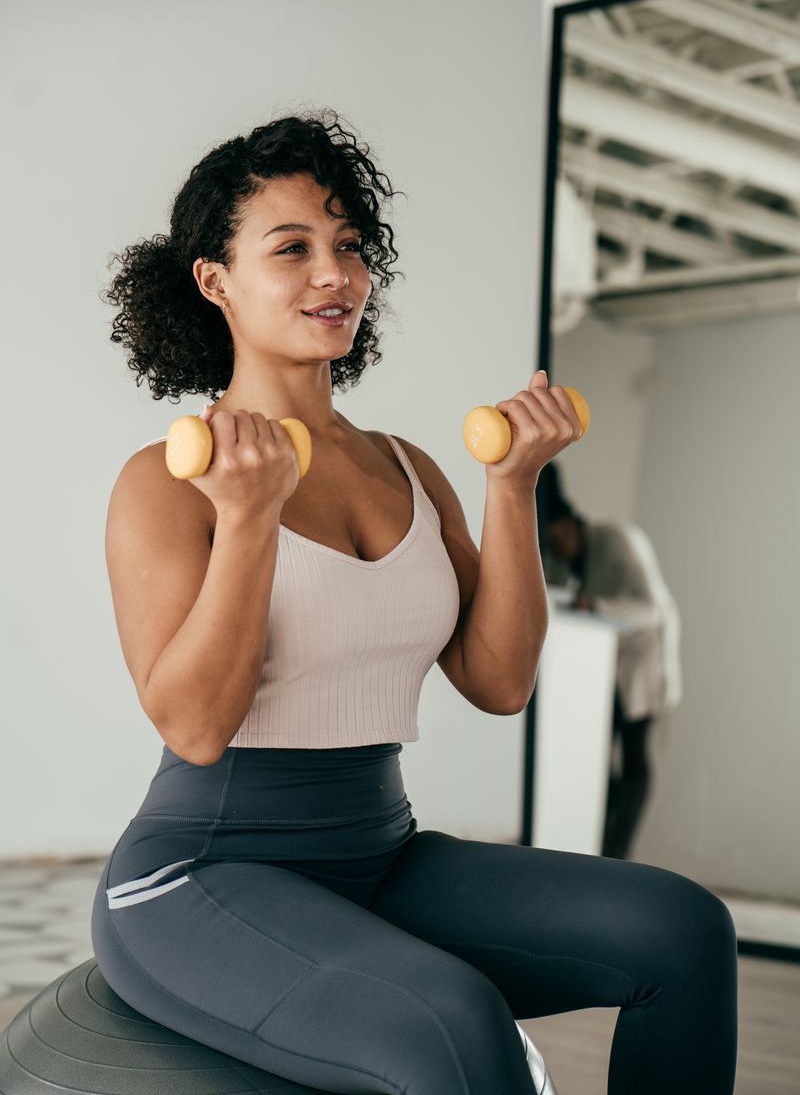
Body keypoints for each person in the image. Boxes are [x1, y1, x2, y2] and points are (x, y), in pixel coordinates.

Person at [90, 109, 737, 1094]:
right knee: (453, 1025)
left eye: (349, 247)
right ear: (214, 281)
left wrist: (511, 488)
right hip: (198, 880)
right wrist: (251, 522)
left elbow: (500, 681)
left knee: (681, 930)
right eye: (292, 247)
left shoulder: (405, 466)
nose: (334, 274)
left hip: (378, 854)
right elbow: (197, 723)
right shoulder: (167, 481)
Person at [537, 461, 683, 859]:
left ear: (569, 525)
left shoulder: (618, 538)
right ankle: (599, 847)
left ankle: (619, 854)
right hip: (605, 671)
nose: (554, 550)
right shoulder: (562, 560)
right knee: (599, 760)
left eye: (555, 539)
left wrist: (596, 605)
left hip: (643, 664)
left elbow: (653, 610)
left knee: (635, 759)